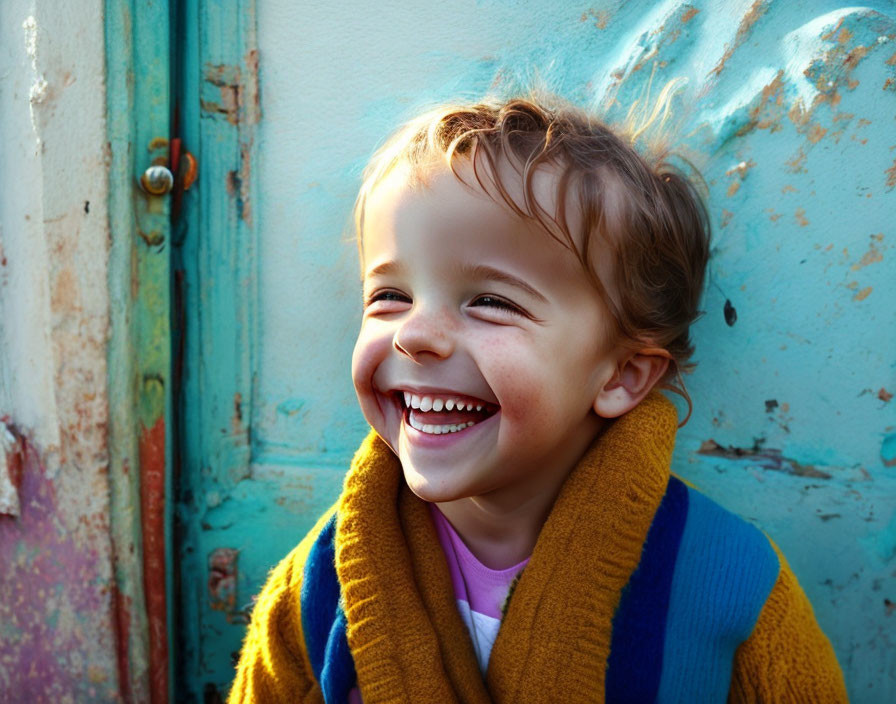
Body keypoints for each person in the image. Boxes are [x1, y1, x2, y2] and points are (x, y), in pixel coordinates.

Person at [228, 93, 847, 703]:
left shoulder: (727, 581)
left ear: (622, 375)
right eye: (389, 296)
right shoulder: (321, 587)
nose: (413, 334)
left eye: (492, 302)